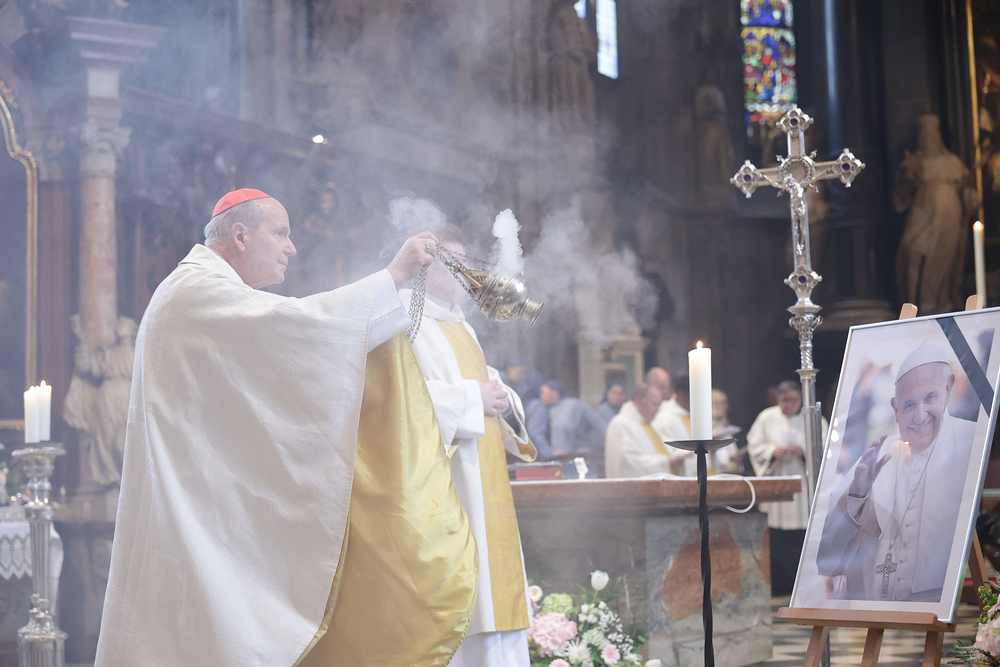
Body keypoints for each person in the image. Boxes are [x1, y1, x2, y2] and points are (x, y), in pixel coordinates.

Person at [95, 189, 478, 667]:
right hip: (196, 511)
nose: (290, 248)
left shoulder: (204, 290)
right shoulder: (196, 291)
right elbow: (301, 331)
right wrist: (394, 275)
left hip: (205, 502)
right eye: (280, 233)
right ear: (240, 235)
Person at [403, 226, 536, 667]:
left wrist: (502, 400)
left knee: (495, 598)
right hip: (448, 485)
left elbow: (490, 385)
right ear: (425, 266)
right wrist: (469, 399)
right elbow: (399, 400)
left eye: (466, 261)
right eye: (453, 262)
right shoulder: (406, 316)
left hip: (485, 483)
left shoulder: (462, 325)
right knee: (460, 602)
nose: (466, 272)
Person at [816, 342, 975, 601]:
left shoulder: (972, 442)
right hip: (877, 603)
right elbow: (827, 559)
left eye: (930, 398)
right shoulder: (879, 453)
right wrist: (857, 494)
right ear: (895, 408)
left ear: (948, 390)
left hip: (937, 603)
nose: (920, 416)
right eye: (909, 404)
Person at [747, 380, 826, 596]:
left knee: (802, 538)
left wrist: (804, 452)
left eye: (793, 400)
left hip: (804, 488)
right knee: (777, 539)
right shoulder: (767, 417)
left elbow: (826, 446)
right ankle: (780, 587)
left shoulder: (813, 417)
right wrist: (772, 452)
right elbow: (754, 445)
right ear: (777, 399)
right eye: (784, 401)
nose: (789, 405)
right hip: (777, 485)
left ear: (800, 399)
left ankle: (804, 587)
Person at [605, 384, 674, 478]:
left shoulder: (649, 424)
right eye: (655, 404)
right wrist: (666, 462)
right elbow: (629, 461)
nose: (658, 410)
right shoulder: (620, 424)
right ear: (638, 400)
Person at [525, 380, 605, 458]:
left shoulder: (573, 405)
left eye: (543, 392)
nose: (540, 396)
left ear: (555, 392)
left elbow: (597, 423)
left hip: (577, 456)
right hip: (556, 458)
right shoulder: (542, 409)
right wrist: (549, 452)